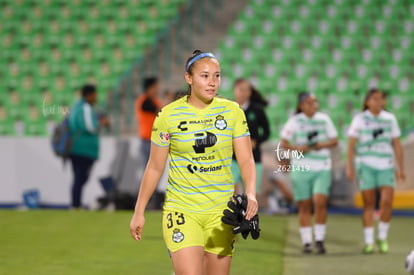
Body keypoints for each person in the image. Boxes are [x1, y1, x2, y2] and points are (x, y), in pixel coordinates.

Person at [129, 50, 258, 275]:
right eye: (205, 76)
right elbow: (155, 166)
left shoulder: (232, 112)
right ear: (188, 78)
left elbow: (246, 159)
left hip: (222, 212)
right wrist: (139, 211)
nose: (212, 83)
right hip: (182, 209)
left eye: (217, 76)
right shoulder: (168, 116)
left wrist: (252, 194)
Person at [346, 88, 405, 254]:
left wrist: (401, 167)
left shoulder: (390, 119)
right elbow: (351, 145)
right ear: (367, 102)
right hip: (365, 165)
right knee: (369, 204)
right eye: (375, 99)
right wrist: (349, 166)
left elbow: (397, 144)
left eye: (381, 99)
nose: (379, 102)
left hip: (386, 164)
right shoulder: (359, 119)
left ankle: (382, 237)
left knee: (387, 202)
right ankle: (369, 241)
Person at [280, 92, 338, 254]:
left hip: (322, 165)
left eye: (315, 102)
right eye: (309, 102)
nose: (313, 105)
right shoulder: (294, 121)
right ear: (301, 105)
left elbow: (334, 140)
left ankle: (319, 239)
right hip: (301, 166)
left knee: (320, 201)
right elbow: (283, 143)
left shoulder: (324, 119)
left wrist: (322, 145)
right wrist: (298, 149)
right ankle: (307, 241)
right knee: (304, 205)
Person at [68, 84, 108, 209]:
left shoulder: (77, 106)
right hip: (83, 149)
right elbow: (89, 126)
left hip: (77, 148)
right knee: (80, 178)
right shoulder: (85, 107)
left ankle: (75, 204)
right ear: (89, 95)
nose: (96, 97)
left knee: (79, 178)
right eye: (95, 94)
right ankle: (75, 205)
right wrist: (101, 123)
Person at [231, 78, 270, 194]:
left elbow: (266, 132)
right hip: (232, 158)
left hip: (253, 158)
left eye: (247, 90)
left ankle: (249, 213)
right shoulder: (229, 109)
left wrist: (255, 141)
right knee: (230, 192)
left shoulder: (258, 110)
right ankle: (233, 213)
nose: (244, 93)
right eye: (241, 89)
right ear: (234, 90)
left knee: (250, 195)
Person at [135, 76, 162, 165]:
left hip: (155, 139)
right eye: (155, 87)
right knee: (149, 169)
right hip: (148, 139)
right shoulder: (144, 101)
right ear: (149, 88)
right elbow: (159, 111)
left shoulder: (154, 101)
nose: (156, 90)